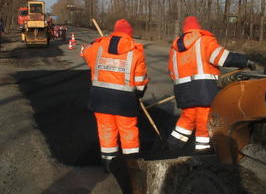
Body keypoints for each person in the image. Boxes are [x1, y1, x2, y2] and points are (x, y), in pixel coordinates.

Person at [167, 16, 256, 154]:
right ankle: (202, 151)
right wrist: (244, 61)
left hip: (182, 90)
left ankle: (173, 145)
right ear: (198, 27)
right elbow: (221, 57)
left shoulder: (174, 49)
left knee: (188, 116)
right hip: (203, 89)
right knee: (204, 117)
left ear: (184, 30)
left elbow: (172, 72)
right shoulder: (204, 41)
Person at [82, 19, 149, 172]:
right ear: (129, 35)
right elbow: (140, 79)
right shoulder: (136, 53)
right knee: (128, 132)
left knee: (106, 130)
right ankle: (132, 166)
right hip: (124, 101)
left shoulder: (98, 47)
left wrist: (93, 43)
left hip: (100, 99)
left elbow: (84, 54)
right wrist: (139, 93)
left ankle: (109, 164)